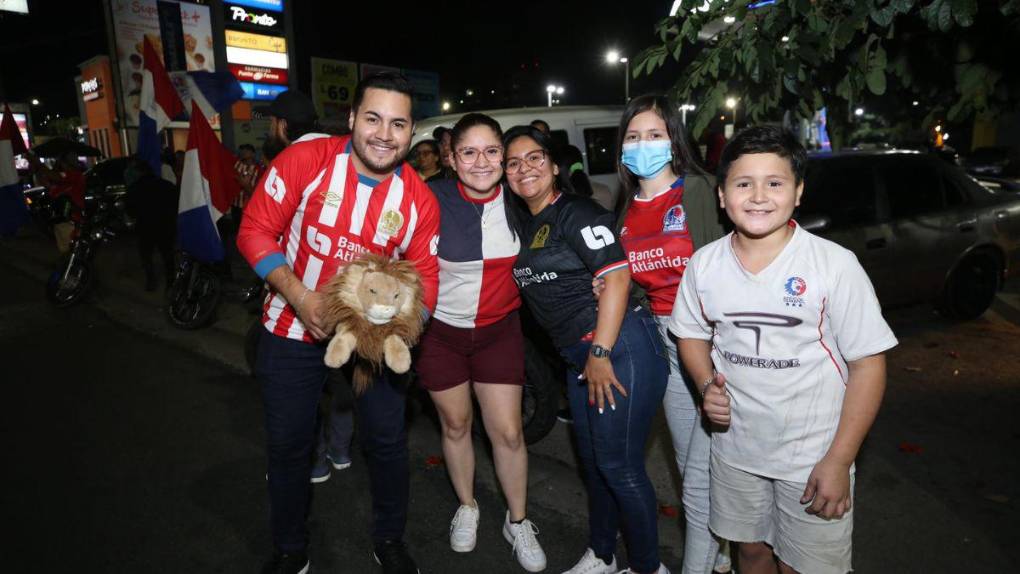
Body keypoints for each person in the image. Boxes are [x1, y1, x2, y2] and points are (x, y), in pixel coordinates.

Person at [237, 74, 440, 574]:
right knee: (289, 446)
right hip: (290, 325)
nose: (383, 134)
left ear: (412, 132)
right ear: (352, 119)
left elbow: (427, 281)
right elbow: (255, 231)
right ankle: (290, 550)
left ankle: (389, 540)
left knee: (388, 444)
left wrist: (401, 331)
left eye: (397, 124)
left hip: (373, 339)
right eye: (372, 118)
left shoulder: (419, 201)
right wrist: (300, 296)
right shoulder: (304, 160)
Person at [672, 126, 897, 574]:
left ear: (798, 193)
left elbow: (868, 365)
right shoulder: (705, 264)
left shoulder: (833, 265)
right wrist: (704, 385)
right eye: (742, 183)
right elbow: (691, 333)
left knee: (801, 566)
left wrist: (839, 460)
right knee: (749, 552)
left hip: (812, 456)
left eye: (774, 183)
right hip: (735, 452)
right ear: (721, 196)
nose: (758, 196)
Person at [505, 125, 670, 574]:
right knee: (596, 465)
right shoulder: (528, 224)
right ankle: (602, 554)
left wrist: (599, 353)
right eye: (514, 163)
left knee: (619, 466)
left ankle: (648, 566)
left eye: (535, 158)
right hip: (578, 358)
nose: (525, 169)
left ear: (555, 166)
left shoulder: (576, 211)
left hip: (617, 348)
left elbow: (616, 276)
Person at [416, 113, 546, 571]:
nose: (481, 162)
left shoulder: (520, 199)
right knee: (454, 426)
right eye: (468, 152)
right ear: (451, 157)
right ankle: (467, 505)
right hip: (441, 334)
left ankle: (518, 520)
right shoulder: (429, 198)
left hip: (499, 331)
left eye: (492, 151)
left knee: (508, 433)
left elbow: (559, 242)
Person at [614, 94, 728, 574]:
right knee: (692, 466)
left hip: (715, 342)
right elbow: (632, 287)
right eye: (634, 137)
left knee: (708, 473)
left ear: (673, 140)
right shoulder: (624, 211)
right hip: (664, 344)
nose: (644, 144)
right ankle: (721, 550)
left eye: (655, 135)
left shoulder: (698, 190)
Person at [258, 90, 356, 486]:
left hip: (296, 308)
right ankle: (341, 450)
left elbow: (263, 235)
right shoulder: (346, 157)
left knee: (302, 393)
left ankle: (313, 460)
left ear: (282, 126)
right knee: (344, 380)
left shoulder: (287, 162)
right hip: (350, 304)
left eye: (270, 123)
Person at [124, 157, 178, 292]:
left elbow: (130, 211)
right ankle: (171, 281)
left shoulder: (134, 188)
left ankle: (151, 280)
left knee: (146, 255)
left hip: (145, 227)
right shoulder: (166, 185)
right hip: (165, 226)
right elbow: (176, 205)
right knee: (167, 255)